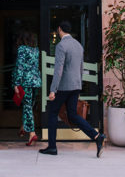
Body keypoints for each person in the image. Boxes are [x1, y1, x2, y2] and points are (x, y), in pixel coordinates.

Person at [39, 22, 106, 157]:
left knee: (52, 113)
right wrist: (79, 84)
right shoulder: (78, 45)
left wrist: (53, 89)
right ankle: (96, 136)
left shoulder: (61, 46)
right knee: (73, 115)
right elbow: (81, 68)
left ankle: (52, 147)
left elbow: (58, 70)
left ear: (59, 30)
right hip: (76, 85)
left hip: (64, 86)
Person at [12, 32, 41, 146]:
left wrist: (16, 84)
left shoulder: (22, 49)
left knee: (27, 107)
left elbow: (19, 67)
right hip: (36, 82)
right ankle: (24, 127)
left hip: (26, 82)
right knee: (30, 105)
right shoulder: (36, 50)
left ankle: (32, 133)